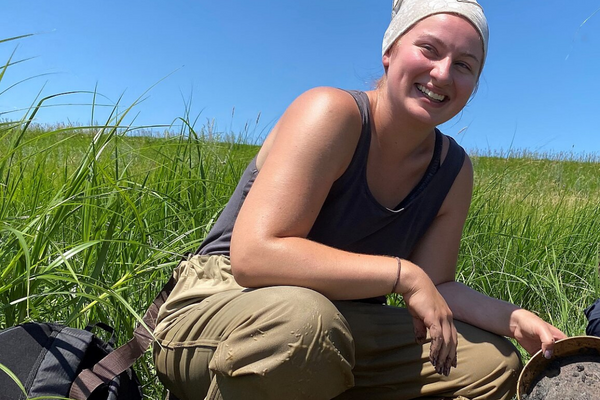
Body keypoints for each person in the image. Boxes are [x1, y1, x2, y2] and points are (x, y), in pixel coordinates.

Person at [153, 1, 567, 399]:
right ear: (390, 50)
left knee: (492, 363)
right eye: (429, 49)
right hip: (224, 303)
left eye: (464, 65)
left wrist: (515, 320)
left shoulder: (453, 169)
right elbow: (255, 256)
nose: (442, 73)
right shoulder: (331, 113)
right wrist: (402, 275)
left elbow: (437, 284)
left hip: (339, 322)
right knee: (305, 325)